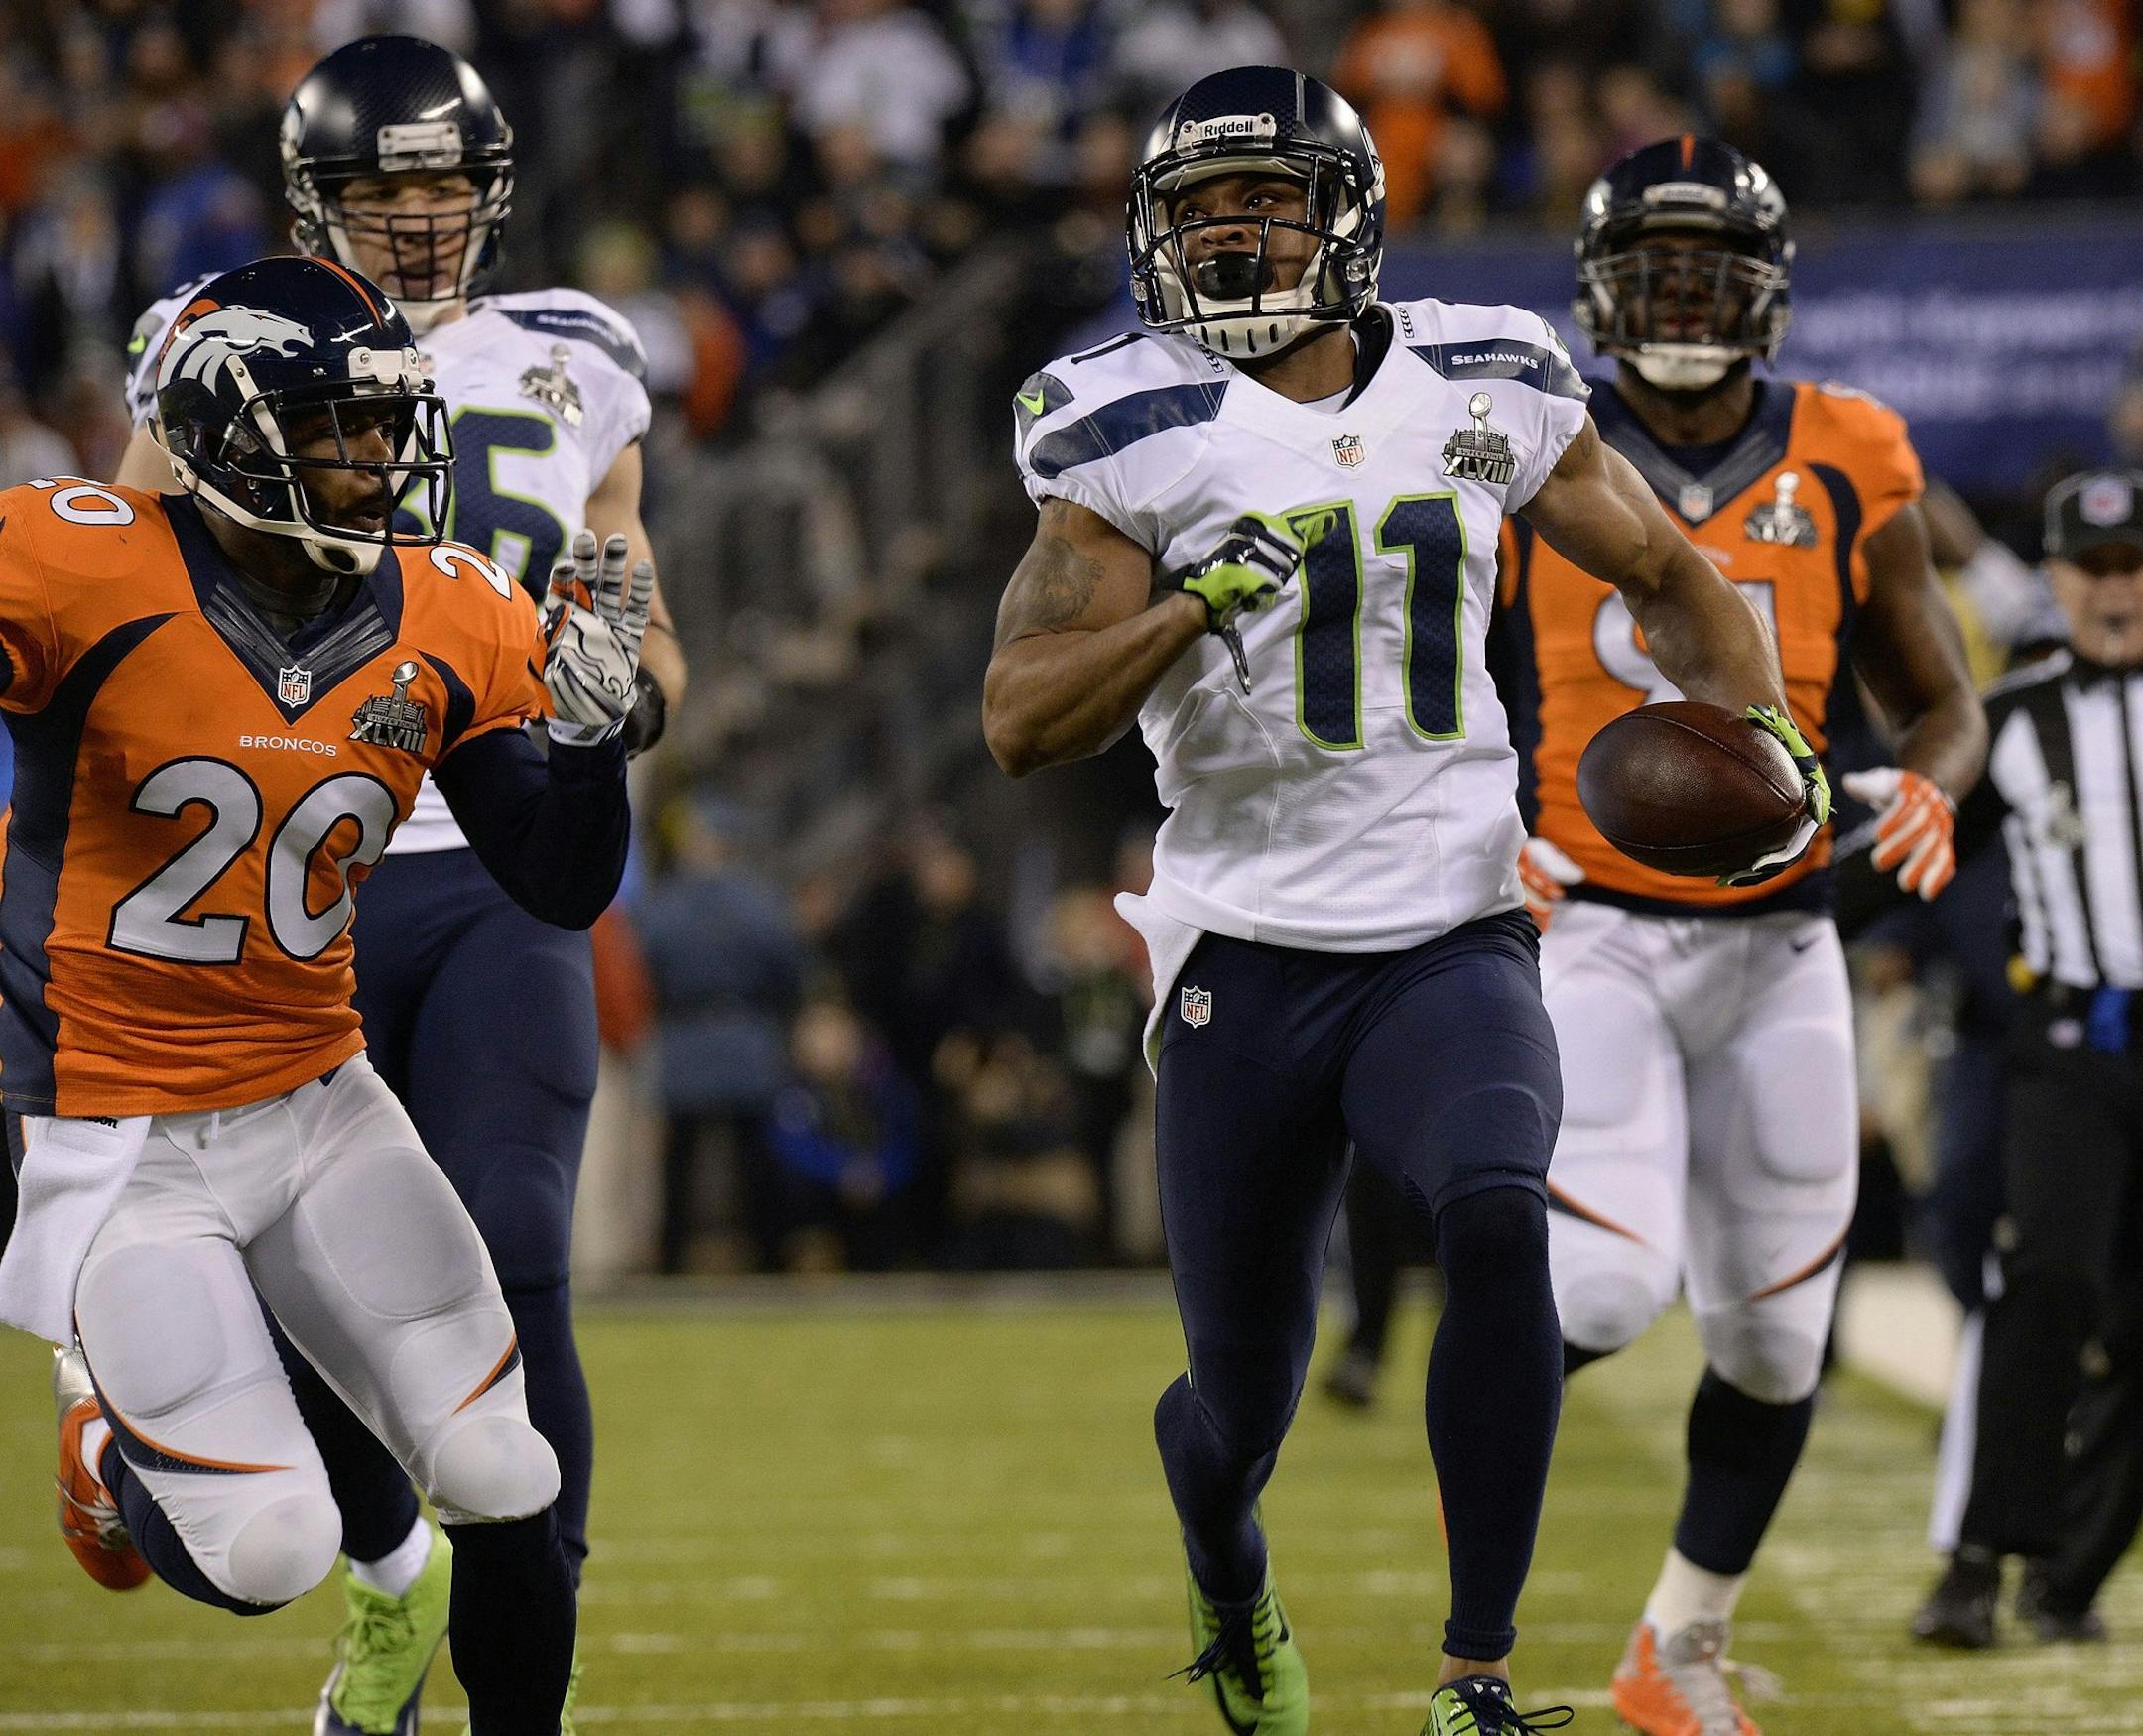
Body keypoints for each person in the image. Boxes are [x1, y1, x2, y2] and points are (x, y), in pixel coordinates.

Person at [982, 67, 1825, 1736]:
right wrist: (1177, 619)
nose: (1228, 239)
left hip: (1450, 920)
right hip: (1241, 945)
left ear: (1344, 216)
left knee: (1500, 1219)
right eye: (1199, 213)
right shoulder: (1121, 417)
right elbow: (1019, 716)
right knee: (1240, 1399)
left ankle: (1475, 1678)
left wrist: (1768, 733)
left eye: (1262, 203)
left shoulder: (1488, 374)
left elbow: (1666, 573)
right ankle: (1229, 1578)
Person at [111, 37, 687, 1732]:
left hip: (494, 852)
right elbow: (140, 585)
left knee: (514, 1247)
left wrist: (626, 695)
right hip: (308, 863)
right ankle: (386, 1568)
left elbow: (635, 596)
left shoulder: (575, 353)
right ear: (319, 203)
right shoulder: (228, 342)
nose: (421, 220)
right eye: (384, 190)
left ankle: (530, 1677)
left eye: (445, 187)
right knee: (294, 1282)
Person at [1, 253, 648, 1734]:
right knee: (271, 1548)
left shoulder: (451, 607)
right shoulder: (78, 556)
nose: (379, 461)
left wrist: (597, 744)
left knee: (506, 1465)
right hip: (115, 1128)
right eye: (339, 429)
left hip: (315, 1093)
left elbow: (554, 882)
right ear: (232, 433)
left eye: (383, 426)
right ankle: (106, 1445)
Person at [1502, 136, 1985, 1733]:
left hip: (1785, 934)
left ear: (1767, 296)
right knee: (1606, 1290)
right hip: (1597, 927)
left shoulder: (1851, 451)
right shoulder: (1532, 446)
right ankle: (1466, 1450)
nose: (1686, 304)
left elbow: (1941, 699)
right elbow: (1444, 686)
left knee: (1781, 1337)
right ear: (1602, 290)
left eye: (1715, 274)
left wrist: (1930, 785)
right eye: (1657, 272)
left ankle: (1677, 1645)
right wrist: (1480, 822)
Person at [1904, 469, 2143, 1649]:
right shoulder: (2011, 719)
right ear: (2055, 578)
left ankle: (2072, 1575)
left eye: (2134, 563)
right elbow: (1917, 846)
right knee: (2043, 1284)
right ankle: (1977, 1563)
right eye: (2095, 567)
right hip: (2070, 1044)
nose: (2116, 587)